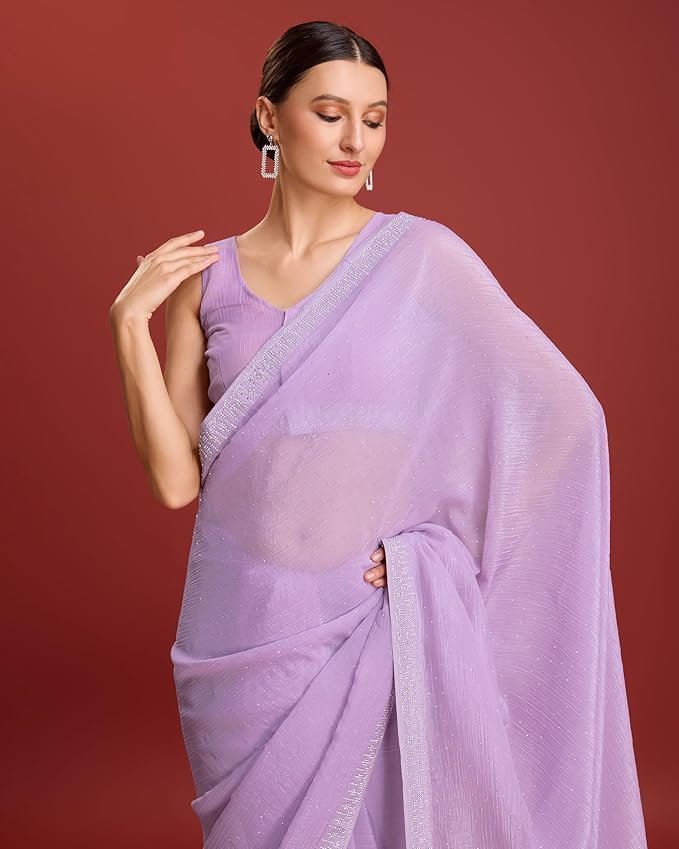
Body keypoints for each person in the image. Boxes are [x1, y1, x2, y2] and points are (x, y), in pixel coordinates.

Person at [109, 20, 648, 849]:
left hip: (362, 621)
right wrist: (126, 325)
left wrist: (436, 554)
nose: (354, 140)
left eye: (374, 118)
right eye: (330, 114)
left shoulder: (420, 259)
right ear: (268, 117)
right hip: (235, 632)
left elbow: (564, 421)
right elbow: (177, 482)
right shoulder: (205, 281)